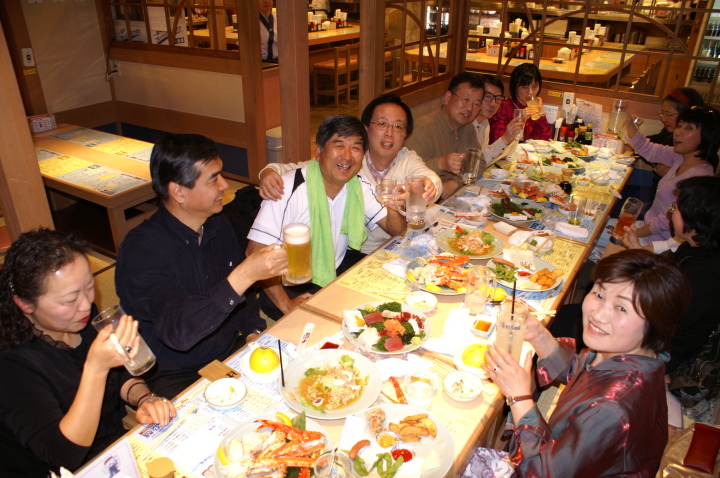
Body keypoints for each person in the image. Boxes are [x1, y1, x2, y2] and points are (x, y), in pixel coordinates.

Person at [470, 250, 691, 477]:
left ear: (655, 325)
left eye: (622, 308)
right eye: (599, 294)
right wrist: (540, 337)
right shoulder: (637, 356)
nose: (598, 315)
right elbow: (583, 374)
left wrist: (519, 398)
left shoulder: (610, 408)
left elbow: (542, 472)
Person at [116, 134, 289, 399]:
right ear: (178, 192)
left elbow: (242, 299)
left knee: (289, 385)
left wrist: (252, 332)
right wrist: (245, 273)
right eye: (213, 179)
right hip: (173, 371)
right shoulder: (142, 251)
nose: (224, 185)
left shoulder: (217, 223)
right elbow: (178, 334)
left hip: (226, 349)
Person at [0, 229, 176, 478]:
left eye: (89, 287)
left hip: (114, 451)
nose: (85, 304)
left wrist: (143, 398)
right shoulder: (12, 365)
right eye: (69, 300)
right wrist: (95, 368)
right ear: (25, 304)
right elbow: (63, 455)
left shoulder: (79, 318)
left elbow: (119, 376)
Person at [247, 115, 407, 319]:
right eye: (339, 146)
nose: (347, 156)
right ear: (319, 152)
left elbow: (398, 230)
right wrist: (286, 305)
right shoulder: (287, 188)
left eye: (356, 148)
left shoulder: (357, 184)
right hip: (289, 284)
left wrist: (393, 206)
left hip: (335, 269)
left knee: (391, 295)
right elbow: (254, 252)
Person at [257, 93, 441, 254]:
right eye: (382, 124)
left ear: (406, 134)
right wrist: (268, 172)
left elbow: (430, 179)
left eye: (398, 127)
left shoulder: (401, 161)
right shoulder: (350, 164)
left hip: (385, 247)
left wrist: (429, 187)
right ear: (366, 129)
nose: (389, 133)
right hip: (351, 253)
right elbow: (301, 169)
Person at [619, 177, 720, 373]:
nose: (670, 211)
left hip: (658, 352)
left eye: (676, 208)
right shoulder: (695, 247)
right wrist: (637, 250)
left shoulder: (707, 277)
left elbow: (658, 327)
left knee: (568, 322)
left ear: (695, 219)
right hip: (649, 322)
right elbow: (663, 277)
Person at [623, 106, 718, 244]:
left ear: (707, 136)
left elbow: (666, 220)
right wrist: (629, 125)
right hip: (644, 226)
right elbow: (648, 149)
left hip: (657, 242)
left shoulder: (700, 176)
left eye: (688, 128)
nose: (678, 132)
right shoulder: (680, 156)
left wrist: (632, 234)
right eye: (679, 126)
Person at [405, 71, 485, 199]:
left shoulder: (468, 127)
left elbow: (479, 163)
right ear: (448, 98)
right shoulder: (424, 128)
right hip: (427, 201)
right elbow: (407, 172)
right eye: (466, 100)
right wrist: (440, 163)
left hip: (454, 196)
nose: (470, 108)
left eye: (476, 104)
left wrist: (454, 183)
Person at [645, 88, 705, 178]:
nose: (663, 119)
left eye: (668, 114)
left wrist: (674, 175)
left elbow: (695, 183)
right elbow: (652, 143)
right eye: (662, 113)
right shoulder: (668, 133)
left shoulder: (704, 154)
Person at [489, 63, 552, 143]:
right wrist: (521, 119)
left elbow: (543, 138)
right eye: (525, 87)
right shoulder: (503, 107)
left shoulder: (532, 107)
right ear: (515, 87)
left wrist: (541, 112)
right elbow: (496, 140)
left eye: (534, 87)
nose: (530, 92)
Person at [472, 74, 523, 166]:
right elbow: (474, 162)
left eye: (498, 98)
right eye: (488, 96)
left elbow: (482, 156)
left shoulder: (485, 122)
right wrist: (505, 139)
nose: (493, 103)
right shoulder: (466, 124)